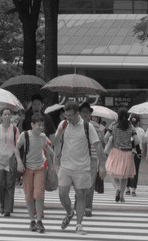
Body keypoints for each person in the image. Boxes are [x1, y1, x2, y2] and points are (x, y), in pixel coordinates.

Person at [51, 98, 102, 235]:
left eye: (70, 115)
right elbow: (54, 143)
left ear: (77, 113)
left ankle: (79, 225)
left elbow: (97, 145)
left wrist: (102, 165)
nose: (67, 117)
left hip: (82, 167)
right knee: (62, 194)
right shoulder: (63, 124)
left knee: (81, 196)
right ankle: (69, 212)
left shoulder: (87, 126)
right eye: (65, 115)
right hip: (65, 166)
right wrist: (59, 133)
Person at [18, 112, 54, 233]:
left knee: (39, 194)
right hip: (27, 168)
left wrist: (54, 155)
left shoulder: (43, 136)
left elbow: (46, 147)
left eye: (42, 125)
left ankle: (39, 220)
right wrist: (19, 162)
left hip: (40, 168)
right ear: (32, 125)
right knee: (29, 195)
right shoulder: (24, 135)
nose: (41, 127)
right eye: (38, 125)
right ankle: (32, 220)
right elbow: (16, 148)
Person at [0, 108, 22, 216]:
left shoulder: (15, 129)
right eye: (5, 114)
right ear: (1, 117)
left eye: (9, 114)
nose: (7, 116)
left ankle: (7, 209)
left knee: (9, 184)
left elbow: (18, 145)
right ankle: (2, 204)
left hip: (10, 160)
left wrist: (18, 160)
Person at [105, 113, 137, 202]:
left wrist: (110, 142)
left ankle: (117, 188)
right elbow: (137, 141)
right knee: (124, 177)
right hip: (127, 153)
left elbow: (105, 137)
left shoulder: (113, 125)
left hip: (115, 151)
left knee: (113, 173)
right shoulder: (130, 126)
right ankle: (122, 196)